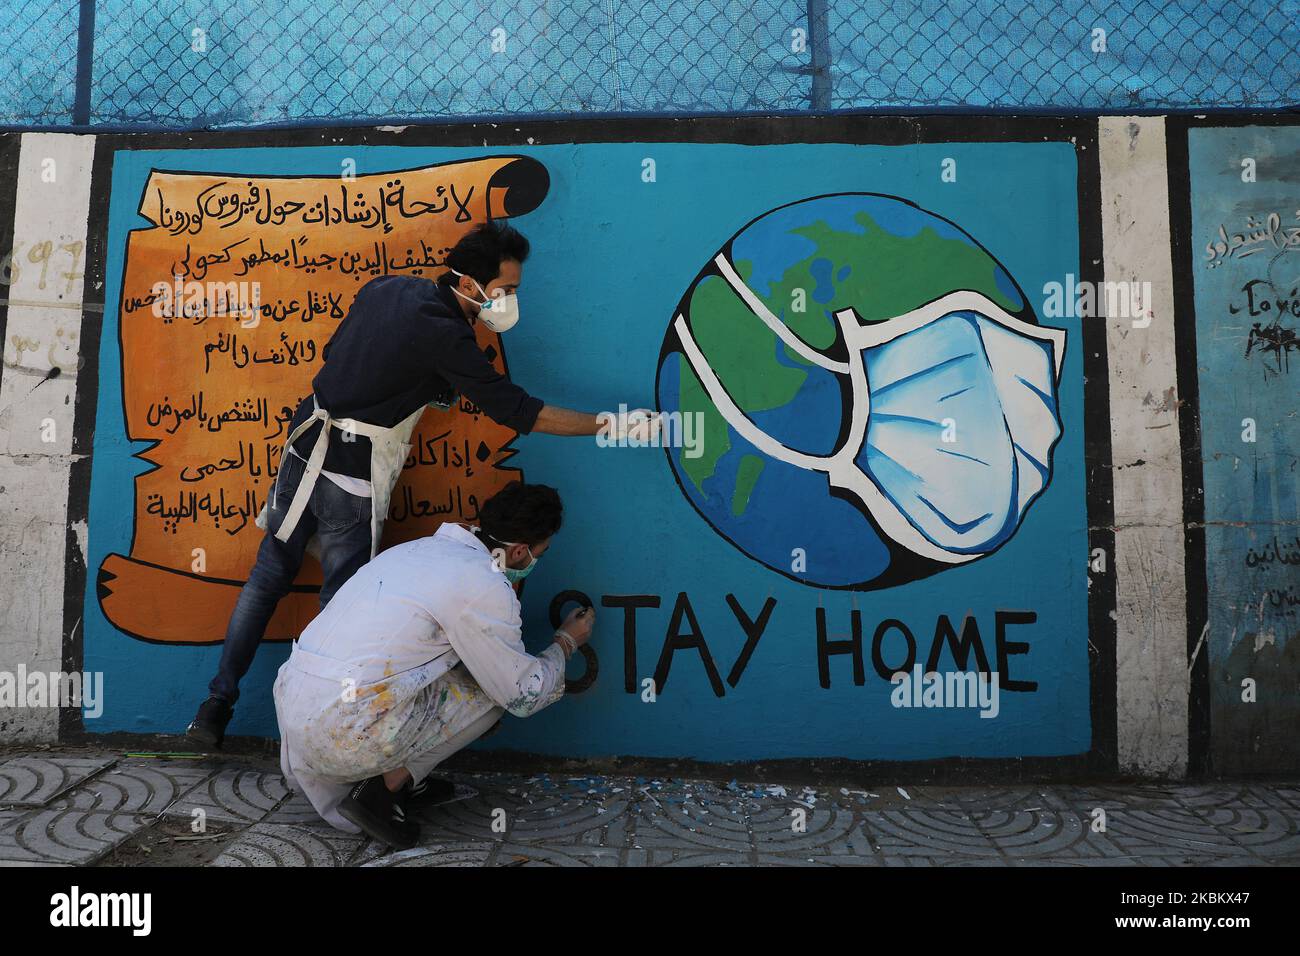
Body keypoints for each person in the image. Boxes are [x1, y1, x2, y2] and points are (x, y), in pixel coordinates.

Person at [188, 220, 655, 746]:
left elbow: (343, 354)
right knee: (342, 604)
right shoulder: (449, 337)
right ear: (471, 284)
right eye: (506, 291)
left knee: (267, 577)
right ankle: (320, 730)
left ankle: (214, 707)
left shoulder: (387, 287)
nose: (509, 301)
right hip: (351, 471)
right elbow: (517, 411)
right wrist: (609, 424)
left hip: (303, 448)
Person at [272, 480, 591, 847]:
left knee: (462, 668)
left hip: (298, 726)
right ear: (519, 552)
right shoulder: (483, 582)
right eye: (541, 552)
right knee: (496, 689)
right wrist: (566, 642)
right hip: (343, 735)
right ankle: (382, 791)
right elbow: (523, 694)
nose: (537, 560)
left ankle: (408, 780)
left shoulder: (412, 551)